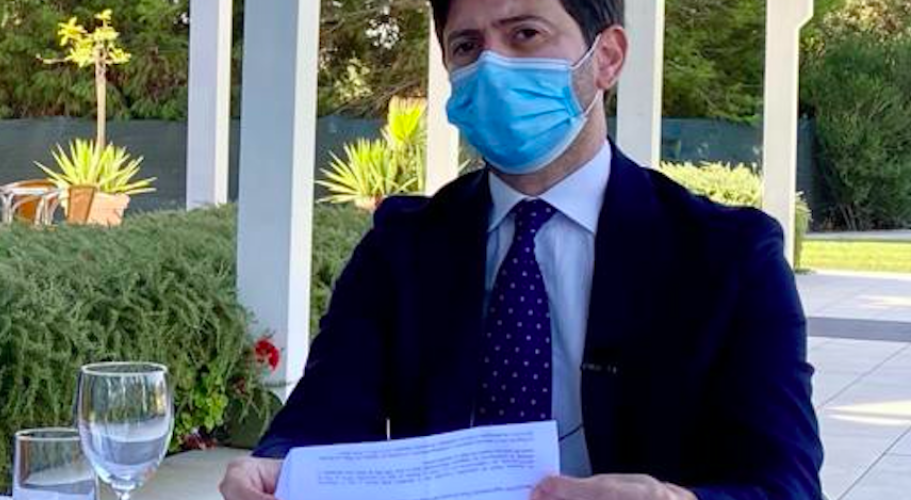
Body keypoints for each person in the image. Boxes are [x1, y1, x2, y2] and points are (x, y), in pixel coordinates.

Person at [220, 0, 824, 498]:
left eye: (525, 34)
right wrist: (276, 467)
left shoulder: (729, 256)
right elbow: (324, 414)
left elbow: (785, 481)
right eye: (466, 46)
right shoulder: (401, 248)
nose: (493, 65)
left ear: (607, 57)